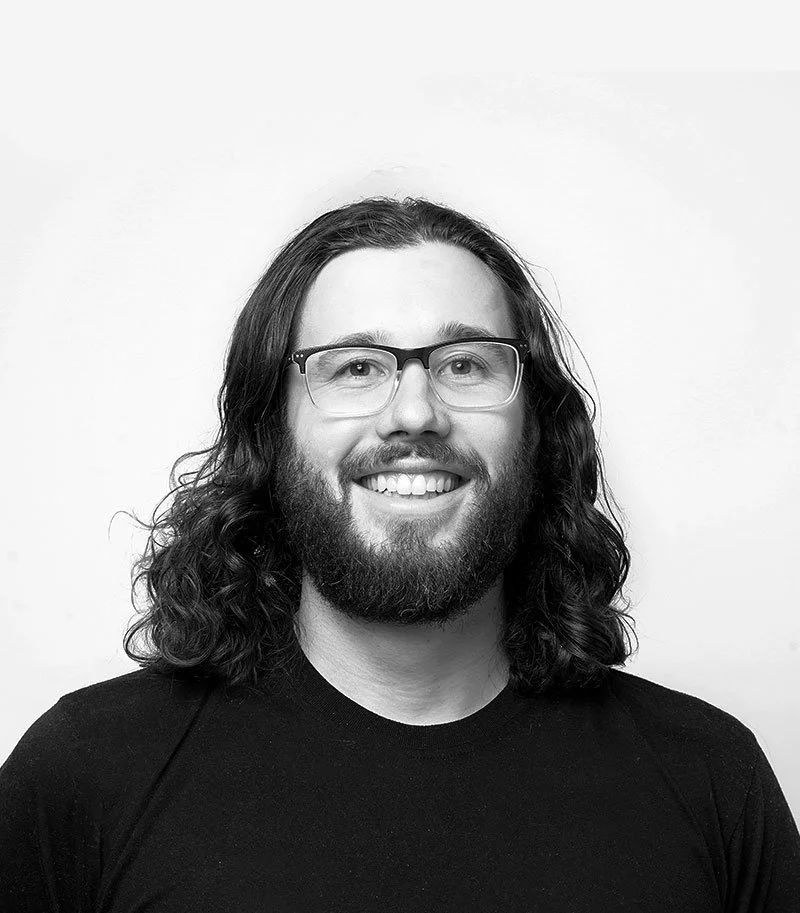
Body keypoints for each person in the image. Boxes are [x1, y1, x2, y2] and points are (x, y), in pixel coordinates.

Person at [1, 197, 798, 911]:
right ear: (269, 433)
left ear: (538, 429)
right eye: (355, 367)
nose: (414, 411)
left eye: (464, 365)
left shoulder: (709, 779)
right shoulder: (84, 777)